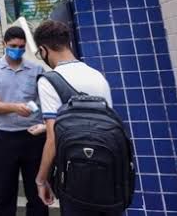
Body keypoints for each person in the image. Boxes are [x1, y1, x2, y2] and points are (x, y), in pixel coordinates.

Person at [33, 20, 117, 216]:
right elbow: (101, 121)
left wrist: (41, 179)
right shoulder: (97, 75)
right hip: (108, 171)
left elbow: (54, 139)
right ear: (67, 43)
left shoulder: (49, 80)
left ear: (43, 50)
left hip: (75, 173)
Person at [0, 26, 49, 216]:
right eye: (13, 46)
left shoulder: (36, 69)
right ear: (4, 44)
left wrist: (38, 116)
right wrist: (15, 107)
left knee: (37, 195)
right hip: (5, 140)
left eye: (21, 46)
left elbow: (43, 100)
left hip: (33, 138)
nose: (17, 50)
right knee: (3, 194)